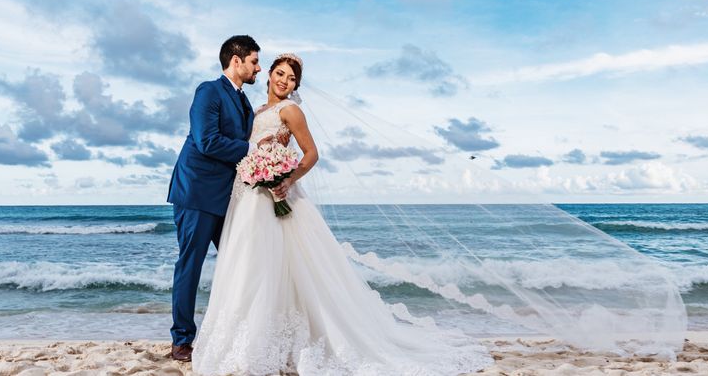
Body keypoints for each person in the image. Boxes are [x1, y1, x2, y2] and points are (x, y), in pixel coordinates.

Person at [192, 53, 489, 375]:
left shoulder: (290, 110)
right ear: (269, 76)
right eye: (279, 74)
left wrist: (286, 179)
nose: (284, 81)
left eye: (291, 79)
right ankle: (247, 335)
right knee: (249, 264)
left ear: (296, 86)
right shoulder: (255, 110)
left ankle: (271, 340)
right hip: (247, 195)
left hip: (273, 194)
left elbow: (311, 153)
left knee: (269, 265)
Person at [166, 35, 264, 363]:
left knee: (242, 263)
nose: (258, 68)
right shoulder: (208, 91)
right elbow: (207, 141)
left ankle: (237, 332)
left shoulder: (245, 101)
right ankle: (182, 341)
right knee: (190, 267)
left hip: (228, 197)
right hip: (196, 192)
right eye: (254, 61)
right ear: (235, 61)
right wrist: (253, 150)